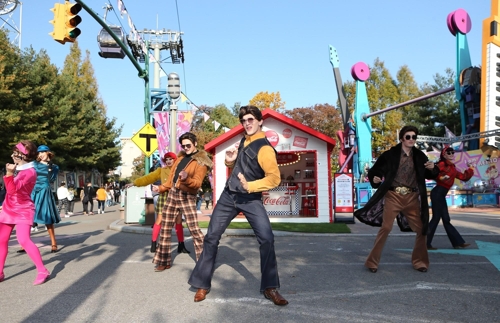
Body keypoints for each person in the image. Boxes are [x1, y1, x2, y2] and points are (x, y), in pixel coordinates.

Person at [188, 106, 288, 306]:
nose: (247, 123)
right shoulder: (244, 140)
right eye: (244, 121)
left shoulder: (265, 148)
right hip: (229, 196)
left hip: (250, 199)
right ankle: (202, 283)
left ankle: (270, 287)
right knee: (211, 237)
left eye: (251, 119)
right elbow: (239, 167)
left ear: (260, 121)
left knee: (267, 238)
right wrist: (229, 162)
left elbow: (274, 179)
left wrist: (250, 186)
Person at [354, 125, 439, 273]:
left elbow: (430, 174)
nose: (411, 139)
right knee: (386, 228)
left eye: (414, 137)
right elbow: (376, 169)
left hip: (412, 197)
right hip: (393, 196)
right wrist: (375, 177)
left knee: (422, 229)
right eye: (408, 137)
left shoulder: (419, 156)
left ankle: (420, 262)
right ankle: (372, 263)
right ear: (402, 139)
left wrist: (433, 168)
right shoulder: (390, 155)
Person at [152, 132, 212, 272]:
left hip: (187, 196)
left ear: (195, 143)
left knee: (194, 229)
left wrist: (186, 178)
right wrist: (160, 188)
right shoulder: (179, 159)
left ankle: (204, 262)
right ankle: (163, 260)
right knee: (165, 228)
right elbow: (171, 179)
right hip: (173, 194)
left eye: (188, 145)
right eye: (183, 146)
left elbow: (197, 184)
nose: (186, 148)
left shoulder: (201, 162)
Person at [0, 141, 51, 285]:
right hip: (9, 208)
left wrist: (9, 174)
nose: (12, 155)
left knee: (24, 240)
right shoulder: (20, 169)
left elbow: (12, 190)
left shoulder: (30, 172)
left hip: (23, 209)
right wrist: (11, 173)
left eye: (16, 152)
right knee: (1, 240)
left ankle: (42, 270)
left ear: (23, 155)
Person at [131, 152, 190, 253]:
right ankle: (153, 243)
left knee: (178, 221)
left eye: (170, 159)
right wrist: (135, 183)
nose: (168, 161)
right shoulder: (161, 171)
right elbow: (148, 178)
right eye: (166, 159)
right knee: (159, 220)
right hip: (164, 197)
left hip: (177, 197)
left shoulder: (180, 171)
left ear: (175, 160)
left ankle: (181, 245)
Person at [427, 146, 474, 250]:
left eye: (452, 152)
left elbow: (464, 177)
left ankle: (457, 242)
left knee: (446, 219)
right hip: (437, 193)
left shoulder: (452, 168)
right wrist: (441, 177)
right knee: (436, 219)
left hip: (441, 194)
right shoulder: (442, 164)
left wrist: (470, 168)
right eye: (449, 153)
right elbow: (434, 173)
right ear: (444, 155)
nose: (451, 154)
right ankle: (425, 243)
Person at [20, 145, 62, 254]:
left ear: (48, 152)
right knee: (28, 217)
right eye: (39, 153)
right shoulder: (34, 164)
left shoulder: (55, 167)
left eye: (42, 152)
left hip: (45, 192)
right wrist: (20, 147)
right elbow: (23, 164)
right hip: (33, 191)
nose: (40, 155)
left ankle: (54, 243)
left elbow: (52, 179)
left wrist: (50, 169)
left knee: (48, 218)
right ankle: (24, 244)